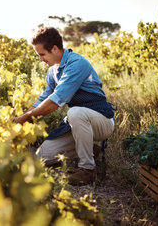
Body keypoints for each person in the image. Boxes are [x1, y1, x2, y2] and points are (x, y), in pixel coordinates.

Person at [14, 27, 115, 185]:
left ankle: (87, 169)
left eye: (42, 54)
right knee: (41, 158)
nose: (40, 59)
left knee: (75, 113)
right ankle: (90, 150)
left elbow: (55, 101)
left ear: (54, 49)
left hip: (102, 121)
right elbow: (43, 99)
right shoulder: (53, 71)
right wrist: (21, 117)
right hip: (79, 123)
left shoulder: (76, 63)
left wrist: (26, 118)